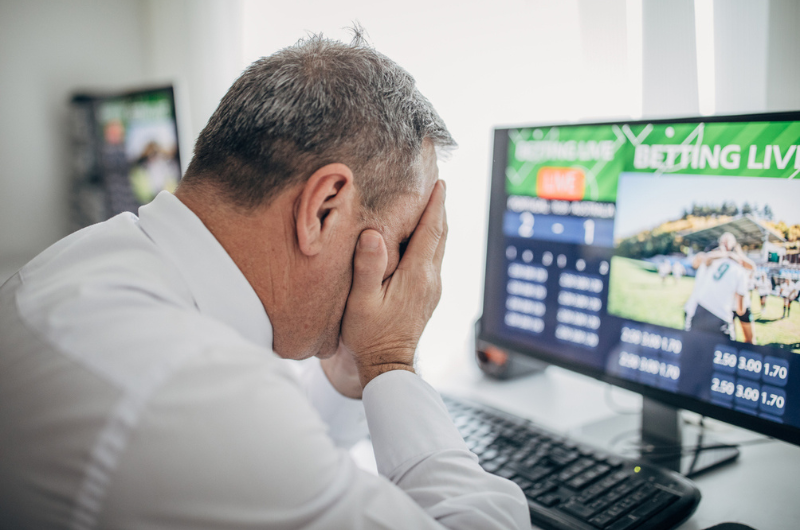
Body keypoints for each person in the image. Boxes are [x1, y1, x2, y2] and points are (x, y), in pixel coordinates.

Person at [0, 32, 529, 529]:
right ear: (323, 209)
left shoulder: (88, 262)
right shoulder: (196, 395)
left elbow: (283, 464)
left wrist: (352, 373)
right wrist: (390, 360)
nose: (408, 272)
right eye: (407, 240)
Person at [686, 233, 749, 340]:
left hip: (700, 309)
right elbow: (740, 310)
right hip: (720, 316)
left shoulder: (713, 260)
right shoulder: (739, 271)